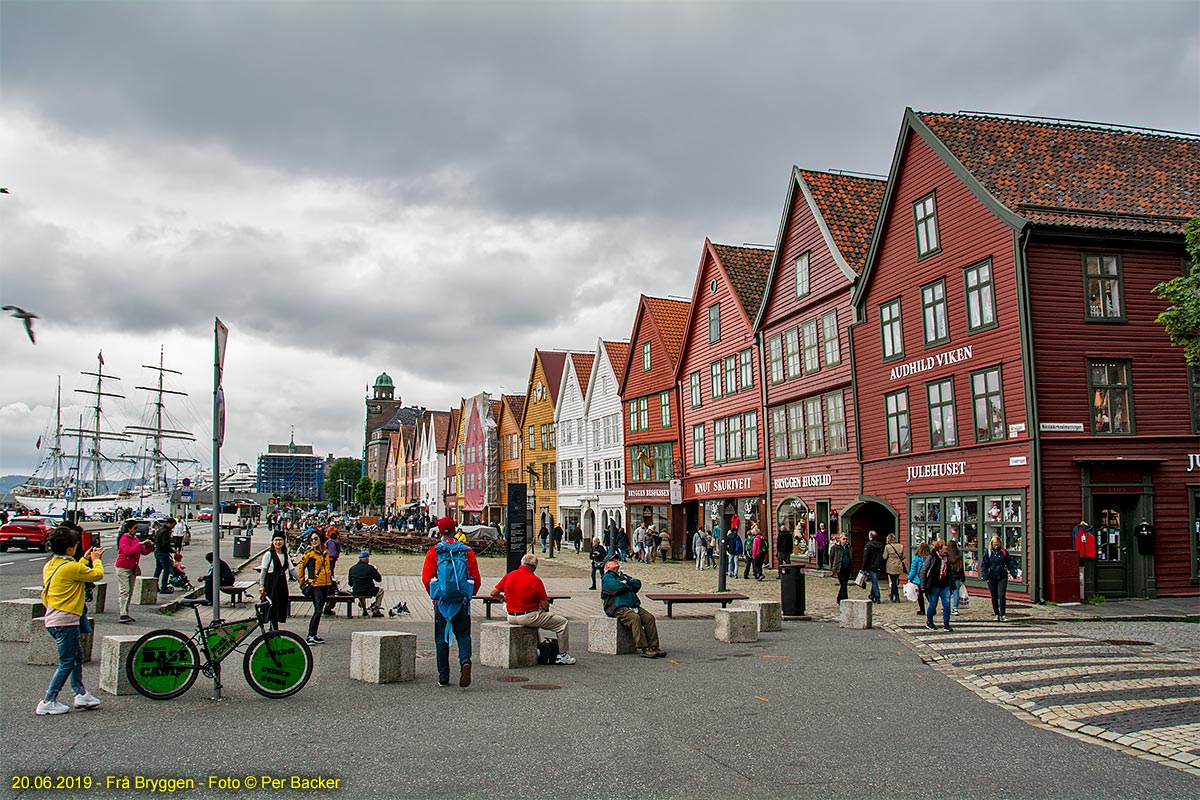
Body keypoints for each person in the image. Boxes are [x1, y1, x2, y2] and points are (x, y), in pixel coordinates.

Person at [37, 526, 104, 715]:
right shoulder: (72, 567)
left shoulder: (51, 564)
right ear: (69, 549)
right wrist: (96, 560)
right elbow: (96, 574)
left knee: (76, 657)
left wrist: (85, 559)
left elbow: (73, 569)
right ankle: (48, 700)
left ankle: (81, 693)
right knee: (67, 662)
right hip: (66, 621)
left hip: (54, 619)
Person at [422, 517, 482, 688]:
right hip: (461, 601)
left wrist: (435, 595)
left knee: (441, 639)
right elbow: (475, 576)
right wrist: (469, 594)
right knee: (463, 634)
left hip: (441, 602)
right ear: (455, 530)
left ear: (440, 532)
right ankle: (465, 660)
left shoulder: (435, 551)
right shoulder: (466, 551)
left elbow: (427, 577)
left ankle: (443, 677)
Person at [491, 554, 575, 664]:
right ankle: (563, 655)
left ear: (521, 563)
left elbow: (493, 593)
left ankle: (538, 648)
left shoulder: (509, 575)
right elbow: (545, 605)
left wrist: (502, 598)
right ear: (535, 567)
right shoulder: (535, 580)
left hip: (511, 616)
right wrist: (543, 609)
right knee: (562, 623)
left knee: (534, 622)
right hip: (528, 616)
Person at [600, 557, 664, 658]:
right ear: (607, 566)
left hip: (633, 604)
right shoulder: (607, 577)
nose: (616, 561)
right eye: (613, 561)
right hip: (618, 607)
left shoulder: (622, 576)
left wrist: (626, 583)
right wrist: (626, 585)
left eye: (616, 559)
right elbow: (616, 587)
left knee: (649, 618)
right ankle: (644, 647)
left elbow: (637, 583)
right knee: (635, 618)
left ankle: (654, 646)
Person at [295, 532, 333, 644]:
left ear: (320, 539)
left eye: (316, 539)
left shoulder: (326, 553)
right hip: (315, 585)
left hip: (325, 584)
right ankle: (310, 634)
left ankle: (314, 633)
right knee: (318, 610)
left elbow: (327, 567)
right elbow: (301, 568)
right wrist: (302, 583)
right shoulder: (309, 554)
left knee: (320, 610)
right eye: (311, 540)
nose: (314, 541)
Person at [114, 519, 152, 624]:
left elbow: (143, 551)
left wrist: (150, 546)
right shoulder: (124, 539)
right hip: (123, 567)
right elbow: (128, 552)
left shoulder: (135, 539)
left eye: (137, 528)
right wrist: (140, 544)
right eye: (134, 528)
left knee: (129, 591)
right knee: (124, 591)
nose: (136, 530)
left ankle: (125, 612)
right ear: (128, 529)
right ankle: (123, 614)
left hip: (132, 568)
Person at [258, 534, 298, 631]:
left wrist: (301, 581)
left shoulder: (285, 555)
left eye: (280, 540)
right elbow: (263, 571)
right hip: (271, 583)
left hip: (281, 583)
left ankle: (273, 629)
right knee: (272, 606)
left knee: (280, 605)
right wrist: (261, 585)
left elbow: (292, 570)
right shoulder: (269, 555)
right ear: (272, 541)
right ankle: (274, 629)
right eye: (276, 540)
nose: (278, 542)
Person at [981, 536, 1020, 621]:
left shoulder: (1003, 552)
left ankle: (1003, 614)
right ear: (992, 544)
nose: (996, 546)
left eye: (997, 544)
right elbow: (984, 565)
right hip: (991, 576)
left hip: (1002, 575)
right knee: (994, 596)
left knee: (1001, 595)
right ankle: (996, 613)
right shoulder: (988, 553)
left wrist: (1013, 573)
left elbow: (1009, 563)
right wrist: (984, 576)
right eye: (995, 544)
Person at [921, 539, 954, 632]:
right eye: (944, 549)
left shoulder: (946, 558)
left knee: (947, 604)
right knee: (933, 604)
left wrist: (952, 585)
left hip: (945, 584)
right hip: (934, 584)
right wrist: (923, 586)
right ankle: (929, 622)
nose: (946, 551)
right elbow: (923, 571)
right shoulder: (932, 557)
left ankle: (946, 624)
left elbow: (950, 572)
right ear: (939, 549)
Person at [348, 551, 386, 617]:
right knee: (381, 591)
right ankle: (376, 609)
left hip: (356, 591)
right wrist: (376, 570)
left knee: (360, 592)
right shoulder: (370, 568)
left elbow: (350, 584)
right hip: (369, 590)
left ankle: (364, 610)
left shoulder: (352, 568)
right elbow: (379, 580)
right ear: (367, 559)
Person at [152, 518, 177, 595]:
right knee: (166, 570)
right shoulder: (166, 532)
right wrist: (172, 551)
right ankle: (164, 587)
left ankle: (154, 586)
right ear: (169, 523)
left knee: (158, 569)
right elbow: (165, 544)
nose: (173, 527)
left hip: (157, 551)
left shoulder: (160, 530)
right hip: (163, 552)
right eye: (173, 525)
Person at [861, 529, 885, 603]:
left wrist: (863, 568)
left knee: (874, 581)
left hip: (871, 566)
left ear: (870, 537)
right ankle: (872, 595)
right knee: (874, 580)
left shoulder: (868, 545)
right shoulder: (881, 545)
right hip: (878, 565)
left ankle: (877, 597)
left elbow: (866, 557)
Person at [830, 532, 853, 603]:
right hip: (840, 568)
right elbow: (831, 557)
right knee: (843, 583)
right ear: (840, 539)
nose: (845, 540)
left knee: (844, 583)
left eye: (846, 539)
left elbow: (850, 556)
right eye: (844, 539)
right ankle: (844, 598)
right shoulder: (835, 547)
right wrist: (833, 568)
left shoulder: (848, 547)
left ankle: (839, 598)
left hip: (847, 567)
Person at [907, 542, 930, 616]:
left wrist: (910, 578)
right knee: (928, 595)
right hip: (927, 579)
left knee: (920, 596)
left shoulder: (916, 558)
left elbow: (913, 569)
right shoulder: (929, 558)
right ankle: (932, 607)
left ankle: (922, 610)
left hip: (917, 579)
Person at [883, 533, 906, 603]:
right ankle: (892, 594)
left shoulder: (887, 547)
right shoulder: (901, 546)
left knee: (893, 581)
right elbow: (904, 556)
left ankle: (897, 596)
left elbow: (885, 556)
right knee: (895, 580)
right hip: (898, 565)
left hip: (891, 565)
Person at [947, 540, 966, 616]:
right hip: (957, 576)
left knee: (947, 593)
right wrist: (963, 579)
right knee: (956, 592)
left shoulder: (947, 556)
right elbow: (961, 569)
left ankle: (946, 606)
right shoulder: (959, 556)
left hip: (949, 577)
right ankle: (955, 608)